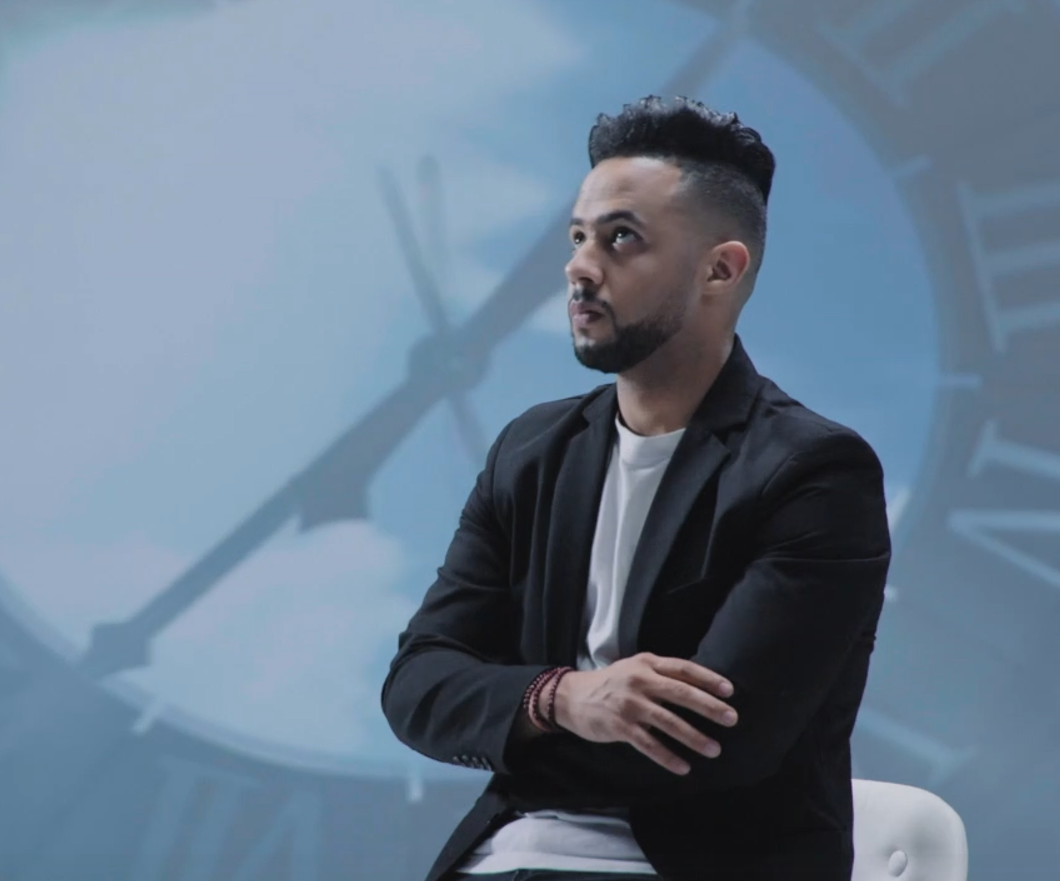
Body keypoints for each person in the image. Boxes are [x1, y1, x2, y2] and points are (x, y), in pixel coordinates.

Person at [379, 95, 892, 881]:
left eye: (621, 238)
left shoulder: (813, 471)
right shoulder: (531, 451)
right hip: (500, 857)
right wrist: (560, 697)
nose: (579, 267)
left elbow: (713, 742)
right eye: (577, 237)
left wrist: (505, 723)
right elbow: (416, 683)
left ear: (720, 268)